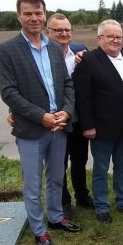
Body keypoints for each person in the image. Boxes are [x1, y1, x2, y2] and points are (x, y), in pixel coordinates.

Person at [0, 0, 81, 245]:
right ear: (19, 16)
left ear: (44, 14)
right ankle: (39, 230)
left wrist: (66, 112)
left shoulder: (55, 48)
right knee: (32, 184)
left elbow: (67, 84)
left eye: (38, 12)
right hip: (33, 129)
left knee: (56, 177)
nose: (34, 18)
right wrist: (40, 116)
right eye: (28, 13)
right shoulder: (7, 50)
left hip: (58, 126)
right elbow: (9, 92)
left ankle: (55, 217)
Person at [73, 19, 123, 224]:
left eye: (118, 36)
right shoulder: (89, 60)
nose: (115, 40)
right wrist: (87, 126)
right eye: (110, 36)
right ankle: (102, 207)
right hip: (101, 128)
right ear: (99, 38)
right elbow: (82, 96)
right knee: (101, 169)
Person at [46, 13, 93, 217]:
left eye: (67, 30)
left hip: (79, 118)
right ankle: (64, 202)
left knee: (80, 159)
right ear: (48, 33)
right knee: (59, 163)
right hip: (56, 119)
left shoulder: (80, 52)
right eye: (58, 30)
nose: (64, 33)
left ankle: (82, 195)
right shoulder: (43, 54)